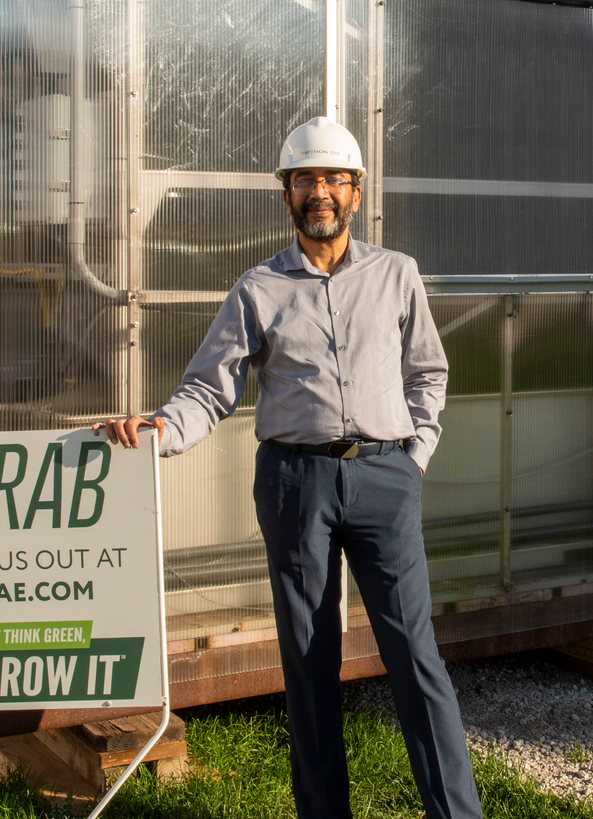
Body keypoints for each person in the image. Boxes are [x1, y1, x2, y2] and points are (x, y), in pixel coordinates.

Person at [96, 115, 482, 819]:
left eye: (334, 178)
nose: (321, 192)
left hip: (384, 477)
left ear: (356, 193)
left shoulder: (396, 275)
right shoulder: (257, 289)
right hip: (294, 484)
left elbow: (428, 372)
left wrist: (414, 456)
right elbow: (209, 389)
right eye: (306, 179)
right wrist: (159, 430)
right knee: (308, 664)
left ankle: (456, 813)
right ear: (287, 196)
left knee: (415, 657)